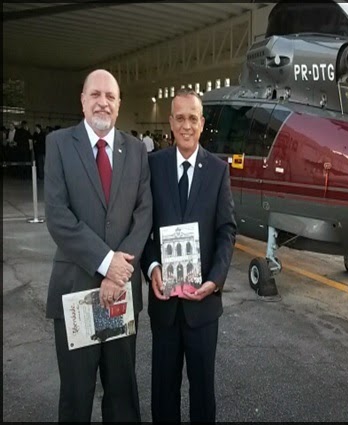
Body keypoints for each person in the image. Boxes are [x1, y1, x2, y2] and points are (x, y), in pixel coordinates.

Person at [44, 69, 153, 422]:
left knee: (122, 396)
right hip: (77, 292)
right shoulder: (59, 144)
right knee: (76, 397)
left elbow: (144, 213)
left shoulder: (136, 150)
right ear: (83, 100)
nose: (102, 102)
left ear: (119, 105)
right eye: (95, 94)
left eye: (110, 96)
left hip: (121, 295)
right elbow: (58, 216)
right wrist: (107, 263)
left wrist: (117, 274)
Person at [141, 89, 236, 423]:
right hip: (164, 304)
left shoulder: (218, 170)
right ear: (170, 122)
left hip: (203, 306)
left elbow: (226, 230)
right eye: (179, 118)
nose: (185, 125)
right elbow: (143, 228)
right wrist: (151, 265)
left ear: (201, 123)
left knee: (203, 393)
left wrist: (216, 279)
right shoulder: (153, 166)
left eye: (192, 118)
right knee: (163, 391)